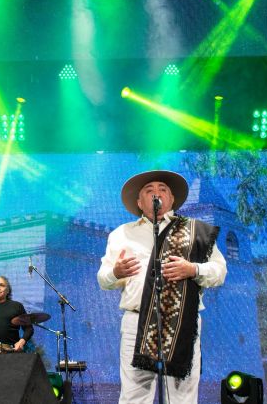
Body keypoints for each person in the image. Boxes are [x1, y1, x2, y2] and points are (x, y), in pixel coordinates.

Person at [97, 170, 227, 404]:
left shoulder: (195, 231)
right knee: (134, 397)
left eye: (162, 189)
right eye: (149, 190)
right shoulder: (121, 234)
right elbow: (103, 279)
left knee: (182, 396)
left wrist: (194, 269)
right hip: (136, 322)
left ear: (172, 199)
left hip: (181, 320)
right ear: (139, 202)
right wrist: (116, 272)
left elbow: (219, 272)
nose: (156, 193)